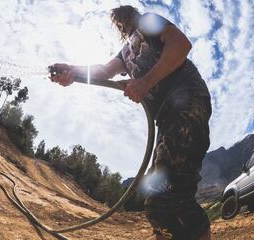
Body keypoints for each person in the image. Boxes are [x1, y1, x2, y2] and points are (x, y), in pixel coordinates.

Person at [49, 5, 212, 240]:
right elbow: (104, 71)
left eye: (123, 16)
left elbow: (181, 44)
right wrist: (72, 71)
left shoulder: (149, 23)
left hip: (188, 103)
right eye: (117, 21)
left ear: (133, 14)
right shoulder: (125, 52)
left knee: (171, 195)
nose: (120, 22)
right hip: (166, 120)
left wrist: (145, 82)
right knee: (156, 197)